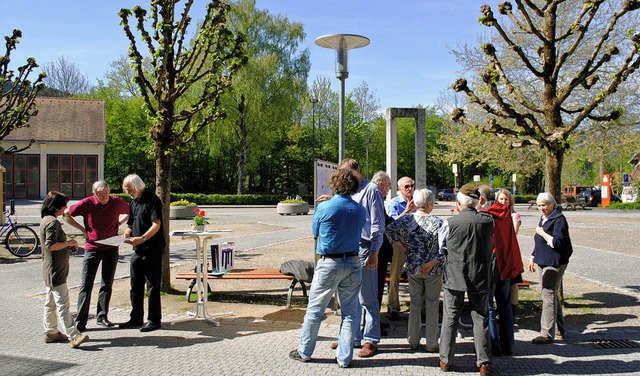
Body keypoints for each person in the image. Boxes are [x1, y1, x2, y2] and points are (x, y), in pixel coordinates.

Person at [289, 169, 366, 368]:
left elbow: (315, 232)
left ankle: (305, 351)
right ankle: (345, 357)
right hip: (352, 262)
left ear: (335, 185)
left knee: (315, 309)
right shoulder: (360, 209)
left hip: (329, 263)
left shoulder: (324, 207)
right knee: (349, 313)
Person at [438, 183, 493, 375]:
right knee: (480, 316)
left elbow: (441, 248)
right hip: (479, 274)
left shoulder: (449, 223)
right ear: (477, 202)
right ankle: (484, 362)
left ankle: (445, 360)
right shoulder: (488, 221)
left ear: (459, 202)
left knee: (451, 316)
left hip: (455, 273)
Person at [63, 181, 130, 331]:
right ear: (94, 194)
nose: (104, 197)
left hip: (111, 247)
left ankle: (102, 316)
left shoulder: (116, 202)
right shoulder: (87, 203)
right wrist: (82, 229)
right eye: (100, 196)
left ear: (109, 191)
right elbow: (66, 214)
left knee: (107, 283)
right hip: (92, 248)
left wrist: (119, 223)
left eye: (106, 194)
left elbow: (130, 211)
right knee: (86, 285)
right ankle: (81, 321)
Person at [385, 188, 444, 352]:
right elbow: (444, 249)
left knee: (415, 303)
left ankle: (413, 340)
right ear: (430, 204)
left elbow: (389, 230)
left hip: (413, 265)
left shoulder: (406, 220)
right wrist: (433, 262)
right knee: (432, 305)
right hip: (432, 268)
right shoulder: (438, 222)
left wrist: (400, 244)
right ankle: (432, 343)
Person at [478, 185, 523, 357]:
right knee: (504, 306)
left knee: (489, 306)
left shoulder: (486, 215)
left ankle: (494, 346)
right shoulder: (506, 214)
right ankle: (508, 345)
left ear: (482, 199)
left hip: (491, 263)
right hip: (505, 262)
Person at [40, 191, 89, 348]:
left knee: (50, 302)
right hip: (56, 270)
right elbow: (51, 245)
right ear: (56, 207)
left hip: (49, 269)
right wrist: (69, 243)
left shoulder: (45, 220)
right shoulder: (53, 223)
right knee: (63, 303)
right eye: (64, 206)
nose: (65, 209)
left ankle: (51, 331)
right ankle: (73, 335)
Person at [120, 174, 165, 332]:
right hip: (137, 249)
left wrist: (143, 238)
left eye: (130, 189)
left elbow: (156, 224)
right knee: (135, 284)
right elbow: (131, 223)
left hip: (152, 248)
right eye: (126, 190)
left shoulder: (152, 200)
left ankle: (154, 320)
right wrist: (127, 233)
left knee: (152, 285)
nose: (128, 192)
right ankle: (136, 317)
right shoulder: (133, 202)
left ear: (138, 186)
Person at [528, 192, 573, 344]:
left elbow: (558, 242)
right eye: (539, 206)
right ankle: (560, 330)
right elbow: (538, 241)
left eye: (544, 205)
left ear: (552, 205)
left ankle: (547, 333)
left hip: (554, 262)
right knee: (550, 294)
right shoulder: (544, 217)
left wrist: (542, 232)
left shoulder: (559, 220)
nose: (541, 209)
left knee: (547, 293)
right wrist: (533, 256)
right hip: (542, 260)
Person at [385, 176, 417, 320]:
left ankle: (419, 306)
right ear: (399, 189)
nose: (410, 189)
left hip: (415, 243)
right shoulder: (394, 203)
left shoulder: (418, 201)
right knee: (395, 275)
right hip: (398, 243)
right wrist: (406, 212)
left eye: (412, 185)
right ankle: (393, 306)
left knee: (418, 275)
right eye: (407, 187)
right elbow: (391, 225)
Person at [496, 189, 523, 313]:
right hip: (499, 254)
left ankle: (512, 310)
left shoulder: (514, 215)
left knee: (513, 283)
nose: (503, 201)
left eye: (506, 199)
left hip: (510, 253)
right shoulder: (495, 213)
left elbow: (513, 234)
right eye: (501, 199)